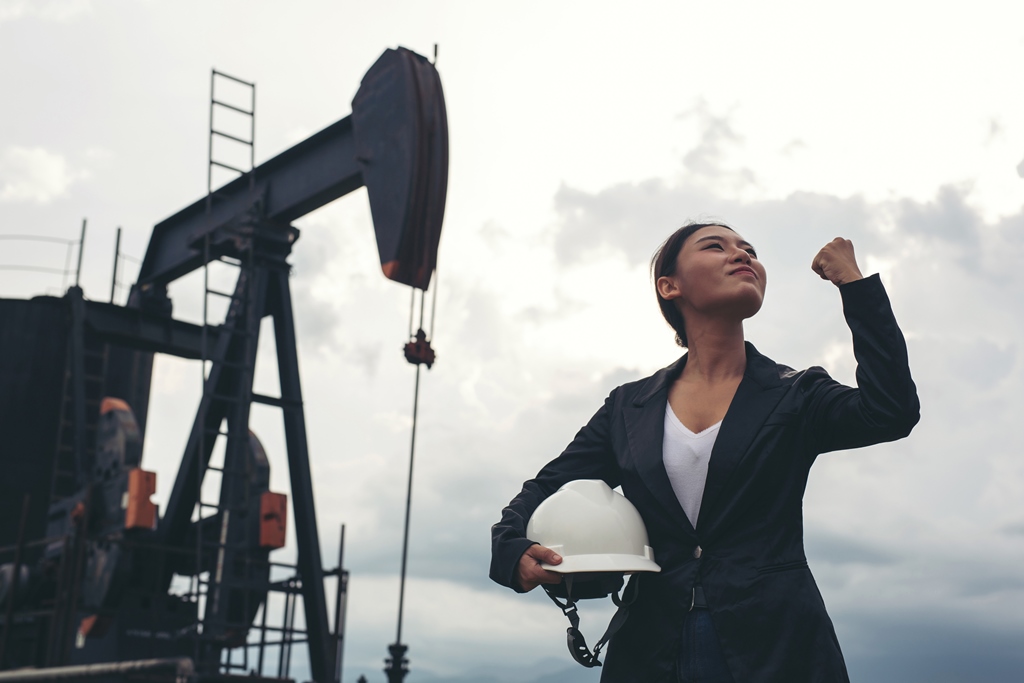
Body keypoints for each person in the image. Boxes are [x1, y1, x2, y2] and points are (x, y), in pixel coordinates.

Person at [489, 222, 920, 683]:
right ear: (669, 285)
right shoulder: (627, 407)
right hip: (651, 646)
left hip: (776, 645)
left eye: (750, 250)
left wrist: (854, 286)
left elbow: (890, 411)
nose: (742, 255)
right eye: (716, 246)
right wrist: (510, 547)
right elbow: (550, 486)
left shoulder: (796, 392)